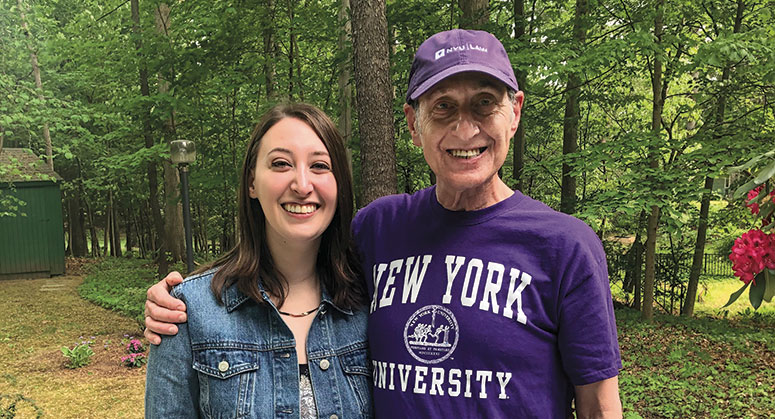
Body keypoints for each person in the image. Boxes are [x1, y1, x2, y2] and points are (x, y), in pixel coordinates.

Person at [145, 30, 622, 418]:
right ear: (413, 125)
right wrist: (175, 298)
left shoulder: (565, 246)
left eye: (483, 103)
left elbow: (600, 407)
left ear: (514, 112)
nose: (465, 128)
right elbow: (292, 254)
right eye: (443, 107)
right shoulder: (379, 229)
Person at [144, 103, 372, 419]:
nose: (302, 185)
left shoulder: (373, 303)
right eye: (281, 164)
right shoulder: (188, 312)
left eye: (320, 165)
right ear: (252, 183)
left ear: (340, 184)